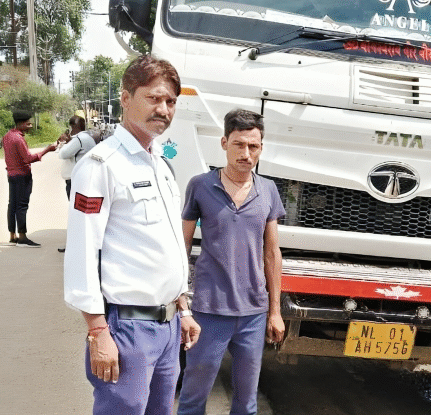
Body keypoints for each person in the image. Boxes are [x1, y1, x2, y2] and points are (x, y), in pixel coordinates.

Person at [63, 55, 201, 415]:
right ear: (125, 99)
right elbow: (82, 251)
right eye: (153, 98)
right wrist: (97, 331)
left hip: (168, 327)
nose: (164, 109)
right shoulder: (101, 166)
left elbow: (167, 243)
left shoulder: (161, 165)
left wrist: (183, 308)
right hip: (128, 329)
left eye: (171, 101)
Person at [177, 109, 286, 415]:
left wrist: (275, 311)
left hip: (253, 313)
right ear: (224, 143)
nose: (246, 154)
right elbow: (182, 245)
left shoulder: (268, 190)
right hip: (209, 310)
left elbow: (272, 253)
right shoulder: (201, 185)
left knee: (247, 403)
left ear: (261, 148)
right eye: (239, 144)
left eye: (253, 146)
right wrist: (181, 302)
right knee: (193, 398)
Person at [2, 110, 57, 247]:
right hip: (22, 176)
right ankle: (22, 237)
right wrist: (47, 150)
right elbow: (27, 158)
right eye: (28, 124)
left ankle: (12, 236)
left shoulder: (7, 136)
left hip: (11, 175)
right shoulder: (18, 139)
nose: (30, 126)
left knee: (12, 204)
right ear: (21, 123)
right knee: (22, 205)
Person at [56, 115, 97, 252]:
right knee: (81, 213)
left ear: (72, 127)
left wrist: (64, 142)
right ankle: (81, 243)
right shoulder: (87, 138)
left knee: (75, 213)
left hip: (76, 181)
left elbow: (62, 154)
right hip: (84, 179)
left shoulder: (79, 139)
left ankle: (74, 244)